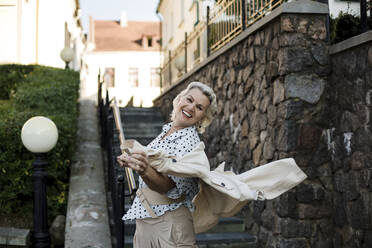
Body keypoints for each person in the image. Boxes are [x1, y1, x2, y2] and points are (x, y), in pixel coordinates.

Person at [117, 81, 217, 247]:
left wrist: (144, 170)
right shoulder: (168, 131)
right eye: (189, 100)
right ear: (179, 99)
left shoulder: (190, 142)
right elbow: (155, 164)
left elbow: (168, 186)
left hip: (168, 226)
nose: (191, 107)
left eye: (199, 107)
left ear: (203, 118)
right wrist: (133, 161)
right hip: (148, 219)